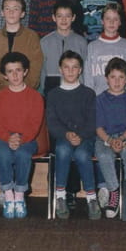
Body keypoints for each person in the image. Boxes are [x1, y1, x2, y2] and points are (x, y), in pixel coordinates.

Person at [46, 51, 101, 220]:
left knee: (82, 155)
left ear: (80, 70)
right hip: (63, 137)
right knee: (62, 150)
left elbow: (92, 122)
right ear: (60, 69)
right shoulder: (53, 94)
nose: (70, 71)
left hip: (85, 138)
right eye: (66, 67)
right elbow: (52, 122)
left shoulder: (88, 93)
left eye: (74, 67)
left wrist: (80, 136)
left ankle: (92, 198)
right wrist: (66, 134)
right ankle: (60, 196)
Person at [0, 52, 45, 219]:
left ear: (25, 71)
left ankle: (19, 195)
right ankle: (8, 195)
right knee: (2, 152)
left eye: (18, 70)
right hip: (4, 138)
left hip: (27, 139)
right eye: (10, 71)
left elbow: (35, 124)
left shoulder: (35, 97)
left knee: (22, 154)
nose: (14, 75)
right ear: (4, 75)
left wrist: (21, 139)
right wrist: (8, 138)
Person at [0, 0, 43, 133]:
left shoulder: (31, 37)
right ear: (2, 13)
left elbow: (36, 67)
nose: (11, 12)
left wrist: (21, 89)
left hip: (23, 88)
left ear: (23, 13)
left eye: (16, 9)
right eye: (7, 9)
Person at [94, 57, 126, 219]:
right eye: (113, 77)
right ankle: (114, 192)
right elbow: (98, 128)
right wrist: (110, 141)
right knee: (104, 155)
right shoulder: (99, 100)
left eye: (121, 77)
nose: (117, 81)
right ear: (106, 78)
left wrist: (120, 139)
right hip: (104, 137)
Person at [39, 0, 88, 96]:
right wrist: (42, 93)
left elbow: (85, 70)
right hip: (52, 89)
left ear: (73, 17)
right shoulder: (45, 42)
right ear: (54, 17)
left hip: (76, 89)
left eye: (67, 16)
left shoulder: (81, 42)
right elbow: (42, 70)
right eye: (59, 16)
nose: (64, 20)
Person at [84, 3, 126, 95]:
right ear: (102, 21)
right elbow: (88, 79)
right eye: (108, 19)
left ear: (120, 22)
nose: (111, 22)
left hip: (122, 98)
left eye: (115, 19)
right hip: (99, 98)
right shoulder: (92, 46)